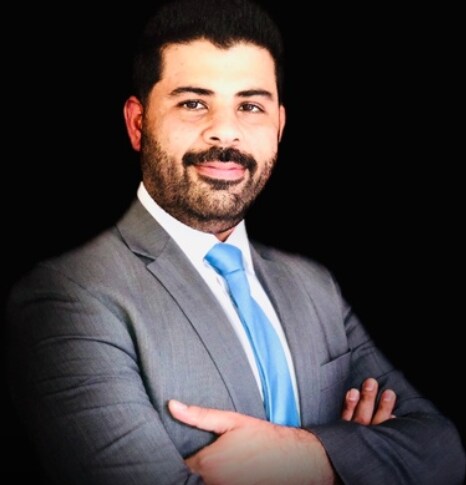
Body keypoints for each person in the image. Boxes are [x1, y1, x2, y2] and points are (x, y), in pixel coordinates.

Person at [5, 0, 465, 483]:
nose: (225, 132)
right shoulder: (67, 296)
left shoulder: (315, 286)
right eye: (193, 103)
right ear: (138, 124)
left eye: (250, 106)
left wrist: (306, 456)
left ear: (279, 127)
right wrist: (358, 457)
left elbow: (443, 451)